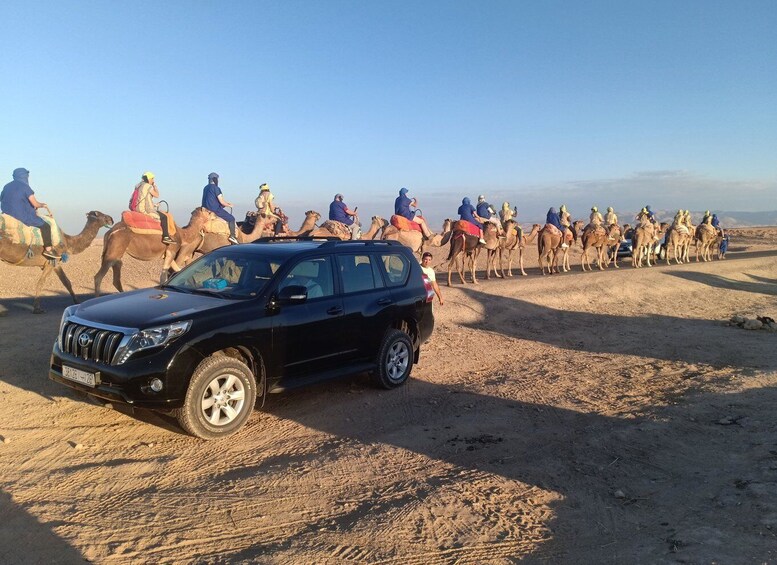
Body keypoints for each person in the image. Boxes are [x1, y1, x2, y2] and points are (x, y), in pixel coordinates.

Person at [0, 168, 60, 259]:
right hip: (21, 214)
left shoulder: (6, 186)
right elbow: (35, 204)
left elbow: (2, 198)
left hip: (7, 213)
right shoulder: (25, 187)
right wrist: (43, 205)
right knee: (46, 226)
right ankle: (48, 250)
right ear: (25, 176)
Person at [129, 172, 174, 244]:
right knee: (164, 217)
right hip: (144, 209)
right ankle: (166, 237)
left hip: (135, 208)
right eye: (152, 178)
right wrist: (155, 186)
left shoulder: (138, 185)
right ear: (149, 178)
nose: (153, 180)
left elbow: (143, 198)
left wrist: (155, 205)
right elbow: (157, 195)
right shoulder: (147, 186)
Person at [201, 172, 238, 244]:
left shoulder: (205, 188)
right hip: (214, 209)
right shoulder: (216, 188)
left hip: (205, 209)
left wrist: (225, 204)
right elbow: (221, 201)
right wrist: (229, 205)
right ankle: (232, 236)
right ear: (215, 179)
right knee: (231, 218)